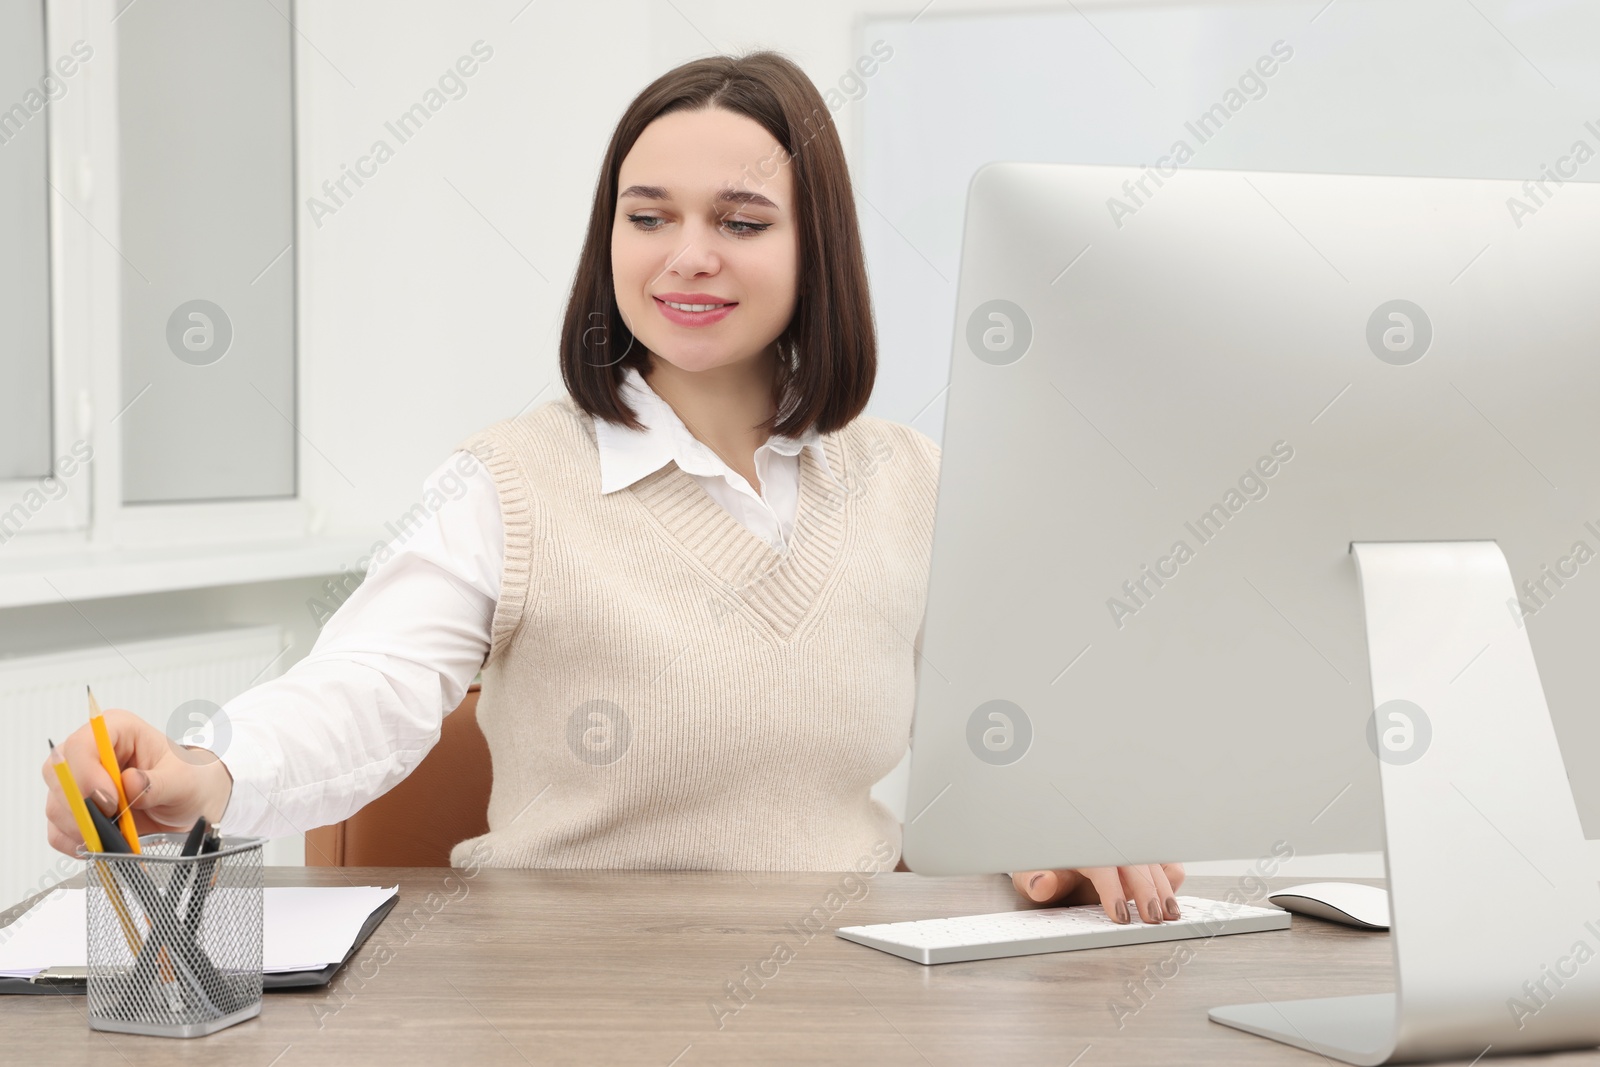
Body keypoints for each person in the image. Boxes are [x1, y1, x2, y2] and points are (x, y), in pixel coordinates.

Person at [41, 50, 1183, 925]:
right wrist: (207, 768)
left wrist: (1067, 823)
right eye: (648, 219)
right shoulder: (511, 481)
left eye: (740, 221)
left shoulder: (910, 481)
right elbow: (365, 689)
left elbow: (1021, 723)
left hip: (844, 984)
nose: (686, 254)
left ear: (815, 251)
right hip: (565, 993)